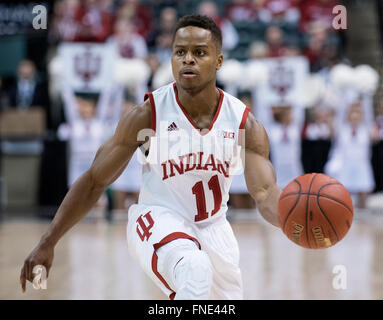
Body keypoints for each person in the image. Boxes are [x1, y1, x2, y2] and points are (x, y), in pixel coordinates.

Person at [20, 15, 281, 300]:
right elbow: (95, 180)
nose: (188, 60)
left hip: (214, 231)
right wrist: (48, 241)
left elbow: (265, 194)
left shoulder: (243, 122)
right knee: (195, 269)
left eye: (199, 52)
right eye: (180, 52)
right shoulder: (148, 114)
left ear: (219, 61)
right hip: (157, 219)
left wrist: (295, 221)